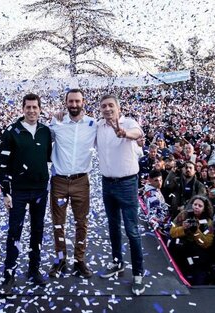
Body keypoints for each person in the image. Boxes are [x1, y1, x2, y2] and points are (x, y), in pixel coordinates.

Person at [0, 93, 52, 295]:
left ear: (40, 109)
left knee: (37, 231)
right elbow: (2, 165)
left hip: (39, 189)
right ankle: (9, 276)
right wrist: (5, 191)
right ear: (22, 109)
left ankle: (33, 270)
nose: (31, 111)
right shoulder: (11, 131)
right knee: (15, 233)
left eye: (35, 107)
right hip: (18, 192)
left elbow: (46, 157)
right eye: (28, 107)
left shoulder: (46, 131)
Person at [96, 94, 145, 296]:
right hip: (107, 183)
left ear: (118, 107)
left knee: (132, 230)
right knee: (113, 226)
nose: (107, 109)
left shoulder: (129, 122)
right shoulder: (98, 126)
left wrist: (124, 133)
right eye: (104, 106)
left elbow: (137, 134)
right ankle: (117, 264)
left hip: (127, 183)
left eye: (111, 106)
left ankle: (138, 274)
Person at [48, 89, 96, 279]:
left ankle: (79, 260)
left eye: (77, 101)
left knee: (81, 223)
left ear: (83, 101)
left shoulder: (93, 124)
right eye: (71, 101)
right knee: (58, 224)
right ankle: (60, 259)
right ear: (66, 102)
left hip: (81, 181)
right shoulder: (57, 122)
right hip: (59, 181)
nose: (74, 105)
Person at [169, 196, 214, 285]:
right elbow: (172, 232)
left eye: (200, 206)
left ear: (204, 209)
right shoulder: (183, 215)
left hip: (198, 248)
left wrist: (196, 231)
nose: (196, 207)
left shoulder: (208, 222)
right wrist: (183, 229)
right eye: (195, 204)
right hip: (183, 245)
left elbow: (206, 243)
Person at [141, 170, 170, 235]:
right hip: (160, 225)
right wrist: (159, 226)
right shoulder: (153, 196)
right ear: (150, 180)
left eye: (161, 180)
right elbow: (153, 216)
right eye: (156, 180)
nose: (159, 183)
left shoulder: (150, 188)